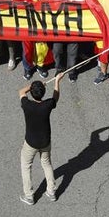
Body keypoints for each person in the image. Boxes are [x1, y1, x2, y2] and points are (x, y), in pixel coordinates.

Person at [18, 74, 63, 205]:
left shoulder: (26, 105)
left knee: (26, 166)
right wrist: (57, 81)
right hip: (45, 141)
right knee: (47, 164)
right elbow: (55, 97)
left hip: (31, 142)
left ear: (31, 93)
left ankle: (29, 196)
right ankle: (51, 191)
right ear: (43, 94)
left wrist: (32, 86)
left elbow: (21, 91)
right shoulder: (47, 105)